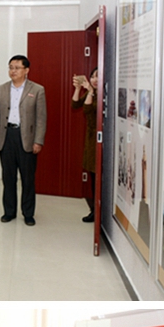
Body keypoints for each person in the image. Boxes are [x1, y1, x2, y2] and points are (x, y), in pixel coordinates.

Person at [0, 55, 47, 226]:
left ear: (26, 70)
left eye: (17, 68)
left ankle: (28, 213)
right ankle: (9, 211)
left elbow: (41, 119)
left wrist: (38, 141)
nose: (13, 71)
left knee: (27, 179)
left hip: (26, 138)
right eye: (11, 67)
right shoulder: (1, 89)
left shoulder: (37, 90)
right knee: (8, 178)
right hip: (6, 136)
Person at [72, 68, 98, 222]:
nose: (94, 80)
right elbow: (75, 105)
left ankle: (99, 211)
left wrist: (91, 92)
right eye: (92, 77)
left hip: (100, 140)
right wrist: (77, 89)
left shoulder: (101, 94)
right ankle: (95, 210)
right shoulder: (90, 92)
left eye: (98, 77)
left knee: (99, 177)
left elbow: (87, 110)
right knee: (93, 176)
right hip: (90, 139)